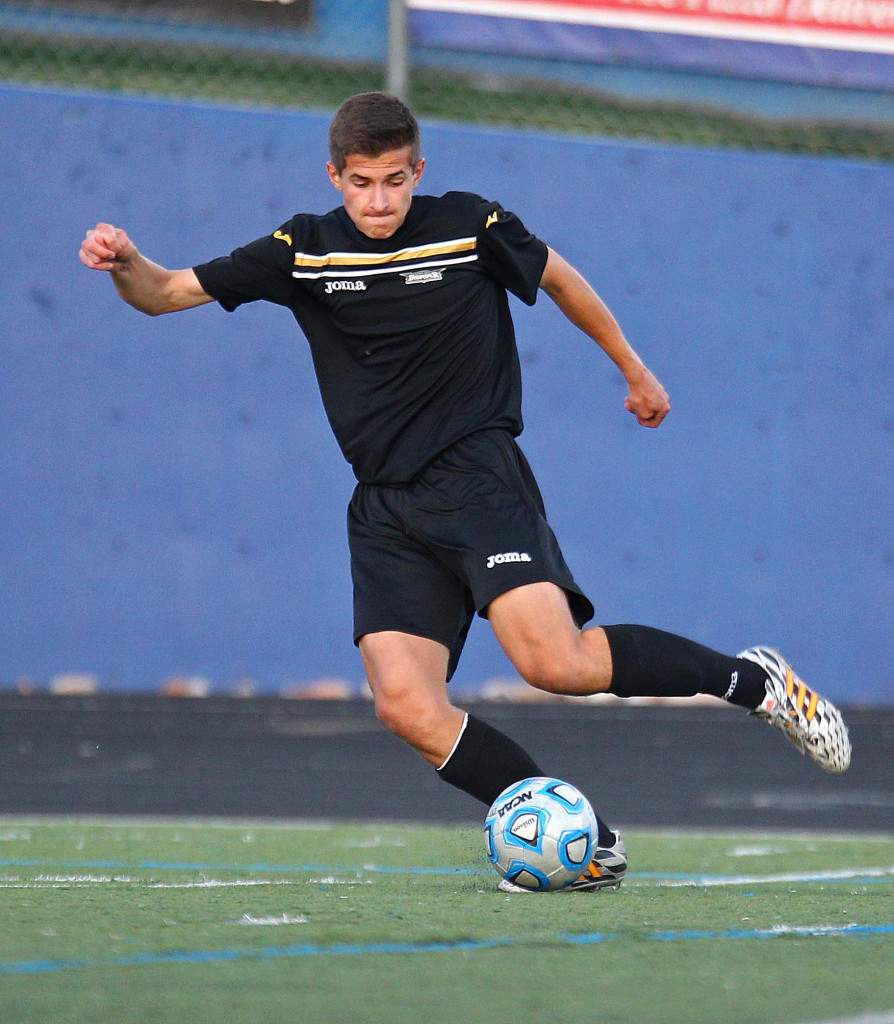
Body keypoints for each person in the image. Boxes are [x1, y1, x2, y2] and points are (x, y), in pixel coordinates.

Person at [79, 91, 851, 893]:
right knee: (407, 706)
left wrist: (634, 368)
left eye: (394, 180)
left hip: (475, 478)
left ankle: (759, 683)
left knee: (557, 664)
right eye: (361, 183)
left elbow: (562, 280)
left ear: (419, 172)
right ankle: (586, 840)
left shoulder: (472, 226)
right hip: (383, 507)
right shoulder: (301, 247)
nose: (379, 200)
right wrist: (127, 262)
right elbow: (165, 292)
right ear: (334, 176)